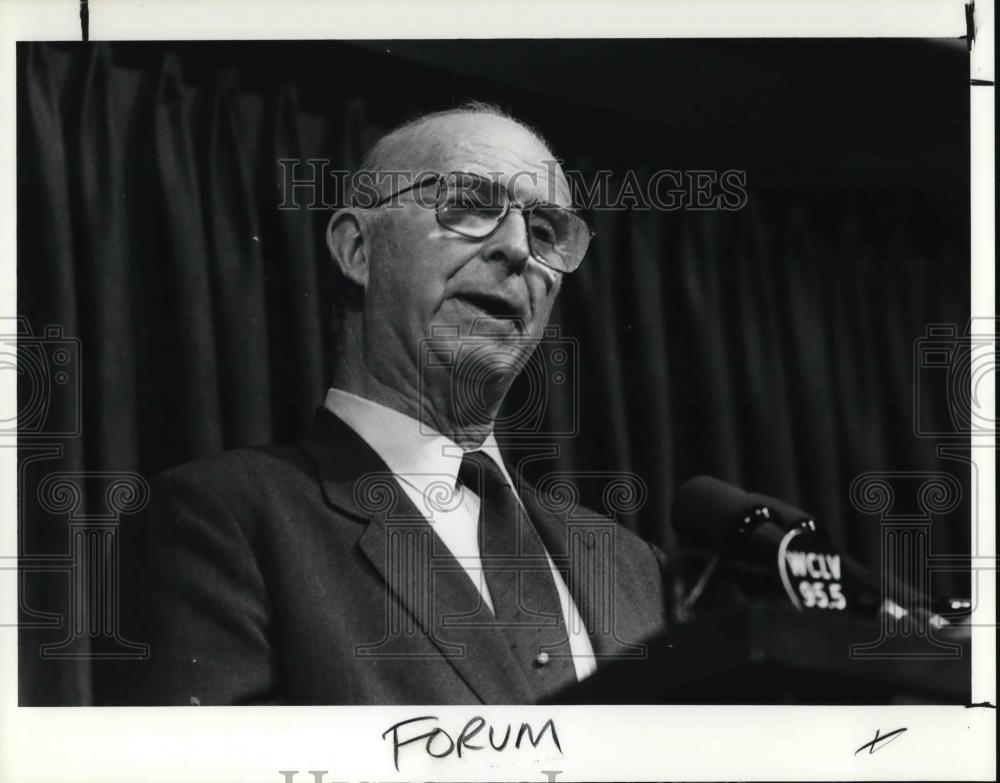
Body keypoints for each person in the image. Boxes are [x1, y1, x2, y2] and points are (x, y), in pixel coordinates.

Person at [100, 103, 669, 706]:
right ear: (357, 250)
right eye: (470, 204)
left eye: (547, 230)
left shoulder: (636, 568)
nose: (519, 249)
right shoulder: (226, 521)